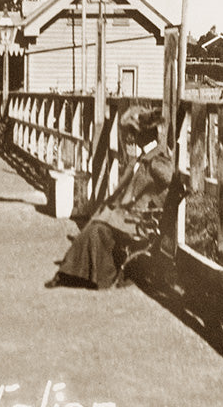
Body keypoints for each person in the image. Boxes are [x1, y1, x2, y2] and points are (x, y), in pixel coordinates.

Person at [45, 106, 174, 290]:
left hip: (140, 220)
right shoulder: (142, 157)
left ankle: (93, 276)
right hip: (128, 214)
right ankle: (70, 274)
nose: (131, 138)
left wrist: (156, 198)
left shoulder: (157, 160)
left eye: (134, 134)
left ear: (145, 135)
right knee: (94, 225)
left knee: (98, 229)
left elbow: (170, 181)